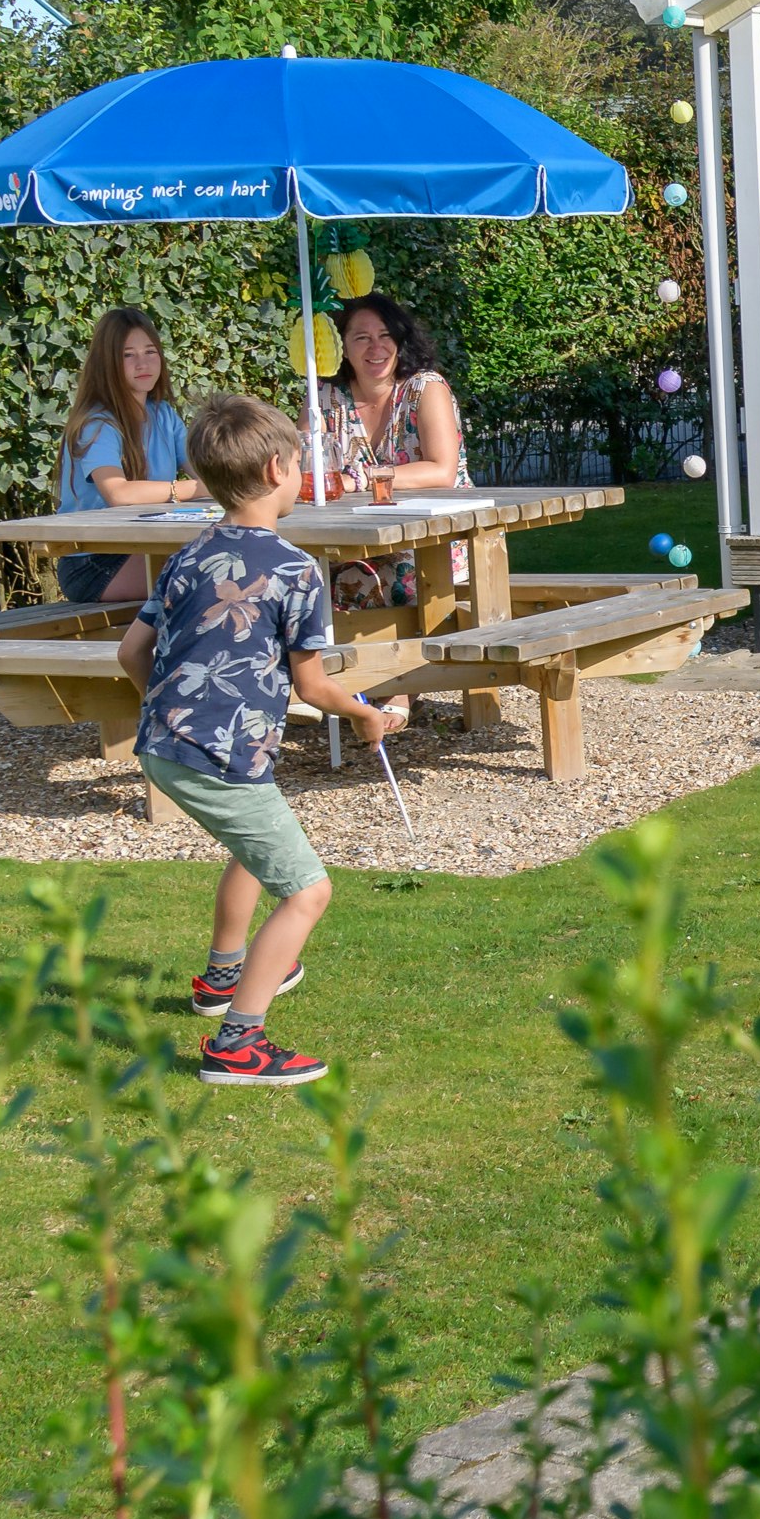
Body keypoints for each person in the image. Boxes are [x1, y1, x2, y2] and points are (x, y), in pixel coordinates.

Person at [114, 392, 394, 1088]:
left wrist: (174, 711)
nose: (302, 473)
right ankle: (237, 1044)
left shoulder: (188, 556)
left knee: (253, 847)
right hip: (220, 754)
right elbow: (312, 686)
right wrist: (365, 716)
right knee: (306, 893)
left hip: (162, 745)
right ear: (277, 469)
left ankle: (220, 980)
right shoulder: (295, 569)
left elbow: (129, 654)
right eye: (301, 462)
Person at [312, 291, 472, 612]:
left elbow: (442, 471)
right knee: (292, 582)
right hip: (355, 544)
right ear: (342, 346)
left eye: (385, 335)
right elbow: (300, 465)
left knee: (336, 589)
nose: (376, 347)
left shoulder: (425, 388)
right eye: (362, 337)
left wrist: (361, 479)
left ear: (400, 340)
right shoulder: (325, 397)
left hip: (433, 544)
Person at [52, 308, 199, 606]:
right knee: (207, 576)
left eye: (150, 351)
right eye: (128, 355)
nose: (142, 363)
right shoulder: (97, 423)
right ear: (107, 364)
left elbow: (206, 469)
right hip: (94, 563)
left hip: (146, 546)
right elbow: (117, 492)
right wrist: (194, 489)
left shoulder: (163, 414)